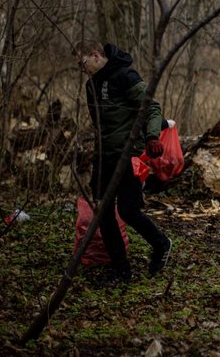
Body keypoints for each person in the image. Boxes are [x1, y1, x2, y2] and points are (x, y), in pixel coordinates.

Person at [75, 40, 172, 285]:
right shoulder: (91, 86)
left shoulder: (125, 76)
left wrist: (152, 137)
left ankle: (161, 244)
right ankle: (121, 271)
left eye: (82, 63)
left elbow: (151, 108)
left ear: (95, 55)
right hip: (104, 158)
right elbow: (100, 125)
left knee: (128, 211)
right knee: (103, 213)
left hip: (128, 156)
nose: (81, 69)